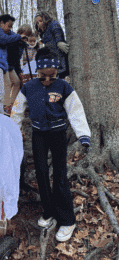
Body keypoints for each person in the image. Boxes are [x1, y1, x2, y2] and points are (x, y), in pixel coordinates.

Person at [11, 47, 91, 242]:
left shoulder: (64, 87)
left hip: (57, 133)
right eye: (42, 76)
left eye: (52, 76)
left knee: (60, 173)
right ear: (37, 71)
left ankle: (67, 218)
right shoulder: (29, 88)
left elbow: (76, 111)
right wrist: (14, 131)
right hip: (38, 134)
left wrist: (83, 135)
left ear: (58, 72)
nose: (47, 80)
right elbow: (17, 111)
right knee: (40, 172)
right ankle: (48, 210)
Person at [0, 14, 27, 115]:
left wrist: (22, 41)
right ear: (1, 23)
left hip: (3, 63)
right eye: (8, 26)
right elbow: (4, 39)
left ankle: (9, 105)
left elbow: (13, 38)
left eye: (11, 27)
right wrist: (18, 37)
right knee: (5, 85)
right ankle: (5, 107)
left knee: (15, 82)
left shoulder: (8, 33)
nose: (10, 29)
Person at [3, 23, 32, 116]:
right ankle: (5, 105)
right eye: (24, 35)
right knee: (8, 84)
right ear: (20, 33)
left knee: (17, 82)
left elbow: (17, 59)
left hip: (11, 66)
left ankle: (11, 104)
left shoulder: (22, 45)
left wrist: (19, 71)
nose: (25, 37)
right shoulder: (13, 40)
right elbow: (10, 55)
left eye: (27, 36)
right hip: (6, 64)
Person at [34, 11, 70, 79]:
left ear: (46, 19)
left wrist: (59, 42)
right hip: (52, 55)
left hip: (59, 52)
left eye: (41, 21)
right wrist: (39, 43)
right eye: (37, 23)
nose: (39, 24)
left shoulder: (53, 24)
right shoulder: (44, 32)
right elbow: (47, 40)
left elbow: (57, 31)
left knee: (62, 70)